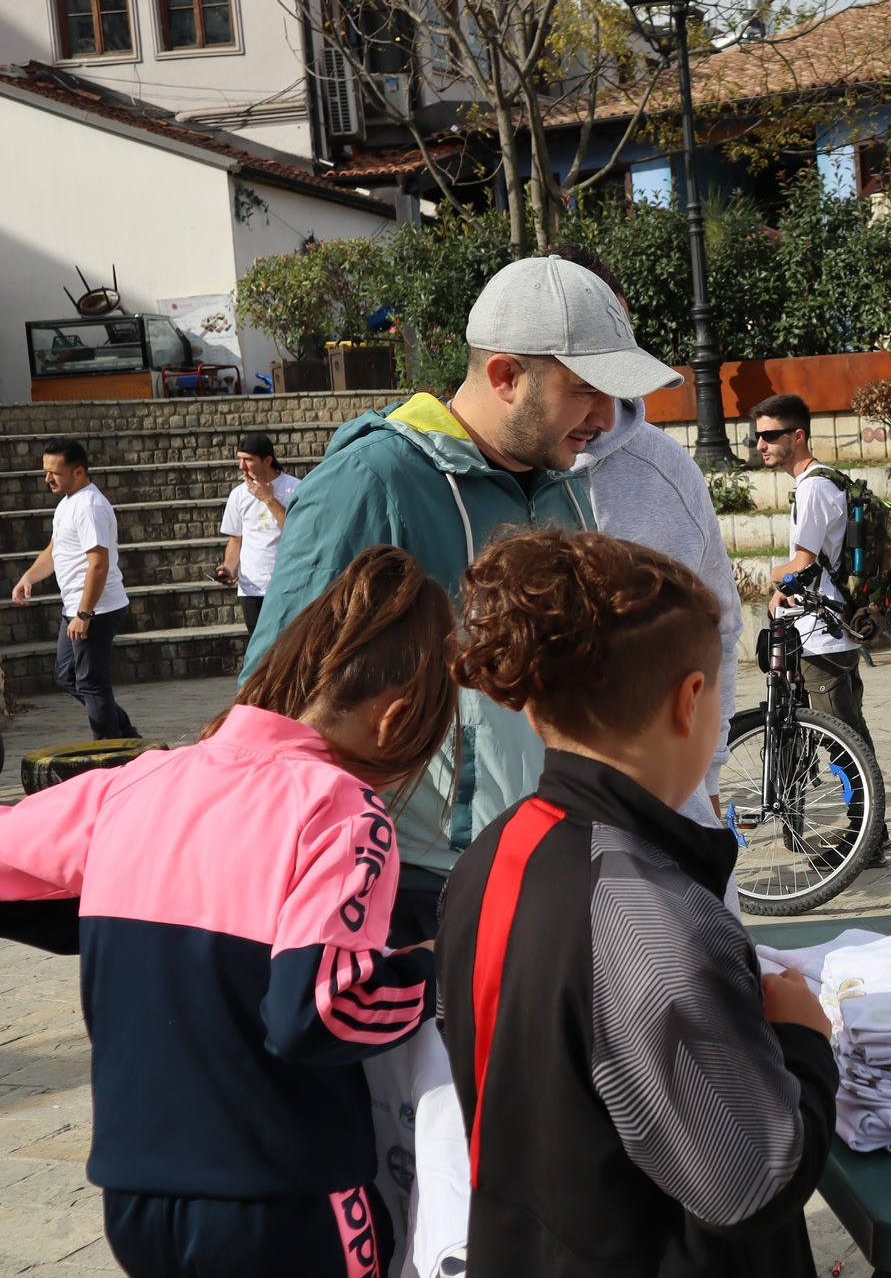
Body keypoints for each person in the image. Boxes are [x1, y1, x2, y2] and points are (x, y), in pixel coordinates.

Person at [0, 546, 456, 1278]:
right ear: (396, 720)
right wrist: (444, 969)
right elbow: (319, 1010)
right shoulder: (340, 809)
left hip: (137, 1193)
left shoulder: (141, 779)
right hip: (285, 1194)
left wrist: (112, 918)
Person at [437, 529, 838, 1277]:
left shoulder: (494, 852)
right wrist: (807, 1040)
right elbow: (755, 1183)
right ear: (691, 701)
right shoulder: (649, 915)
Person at [245, 254, 678, 943]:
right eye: (584, 389)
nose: (606, 415)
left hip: (547, 866)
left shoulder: (564, 482)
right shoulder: (372, 480)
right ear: (505, 376)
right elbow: (274, 699)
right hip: (416, 891)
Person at [550, 244, 742, 837]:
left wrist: (706, 777)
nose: (605, 412)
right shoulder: (461, 480)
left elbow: (717, 625)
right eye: (585, 381)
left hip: (661, 809)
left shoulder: (664, 470)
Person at [752, 391, 888, 860]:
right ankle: (870, 834)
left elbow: (802, 563)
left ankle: (864, 841)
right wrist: (782, 589)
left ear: (797, 435)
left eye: (770, 436)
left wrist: (771, 576)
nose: (761, 445)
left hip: (821, 636)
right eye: (757, 438)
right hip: (834, 630)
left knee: (843, 741)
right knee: (851, 733)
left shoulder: (812, 487)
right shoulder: (826, 481)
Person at [9, 438, 136, 739]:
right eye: (45, 471)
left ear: (79, 472)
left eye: (55, 472)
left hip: (97, 609)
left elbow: (99, 565)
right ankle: (126, 736)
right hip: (77, 608)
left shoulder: (89, 506)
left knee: (91, 682)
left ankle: (111, 752)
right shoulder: (69, 503)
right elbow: (55, 549)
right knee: (67, 676)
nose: (47, 479)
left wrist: (85, 613)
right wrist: (29, 576)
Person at [215, 431, 300, 639]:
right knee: (259, 653)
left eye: (248, 460)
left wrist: (269, 499)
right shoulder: (238, 494)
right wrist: (228, 567)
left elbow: (299, 533)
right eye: (240, 459)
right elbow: (236, 539)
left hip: (286, 586)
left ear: (267, 460)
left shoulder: (295, 488)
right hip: (251, 588)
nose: (241, 467)